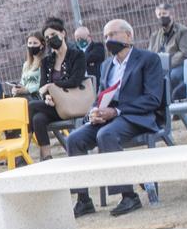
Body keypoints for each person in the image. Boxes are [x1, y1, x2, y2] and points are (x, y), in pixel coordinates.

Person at [64, 20, 166, 218]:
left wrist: (117, 112)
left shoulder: (148, 59)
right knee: (73, 139)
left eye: (113, 34)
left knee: (106, 135)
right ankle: (83, 200)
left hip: (136, 117)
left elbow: (153, 99)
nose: (109, 40)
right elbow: (103, 94)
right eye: (106, 36)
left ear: (129, 36)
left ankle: (129, 196)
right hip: (109, 117)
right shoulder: (106, 65)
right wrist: (95, 111)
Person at [27, 28, 90, 150]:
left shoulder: (77, 55)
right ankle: (46, 157)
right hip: (54, 106)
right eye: (47, 37)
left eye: (53, 34)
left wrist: (52, 86)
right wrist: (47, 97)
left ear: (63, 33)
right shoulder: (46, 61)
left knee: (31, 105)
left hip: (73, 103)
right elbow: (42, 86)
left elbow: (75, 81)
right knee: (37, 118)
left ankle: (24, 147)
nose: (51, 38)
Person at [152, 3, 187, 97]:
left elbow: (185, 53)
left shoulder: (183, 31)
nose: (161, 17)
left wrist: (166, 64)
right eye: (159, 15)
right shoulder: (155, 35)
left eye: (164, 14)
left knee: (172, 76)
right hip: (159, 68)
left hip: (178, 66)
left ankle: (172, 101)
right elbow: (151, 54)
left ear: (172, 15)